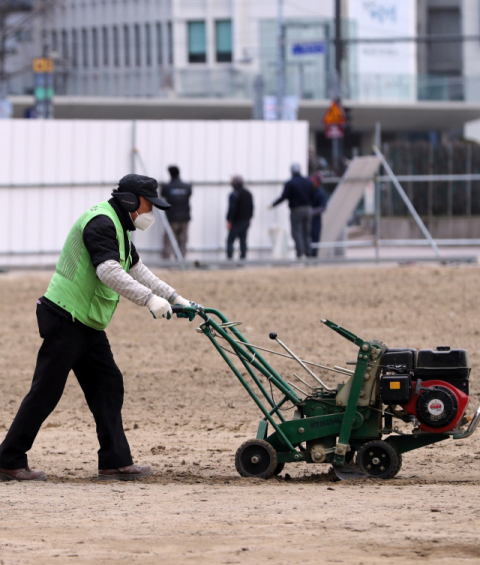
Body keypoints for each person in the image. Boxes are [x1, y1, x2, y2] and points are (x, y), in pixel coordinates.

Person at [0, 174, 196, 482]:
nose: (151, 213)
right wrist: (149, 301)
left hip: (86, 322)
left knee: (108, 385)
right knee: (46, 391)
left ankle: (115, 462)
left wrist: (174, 297)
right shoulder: (101, 223)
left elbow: (136, 268)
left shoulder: (119, 228)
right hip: (66, 318)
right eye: (148, 205)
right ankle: (8, 459)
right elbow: (108, 271)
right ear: (131, 200)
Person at [270, 163, 315, 258]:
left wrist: (273, 204)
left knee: (297, 232)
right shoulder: (308, 181)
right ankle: (309, 254)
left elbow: (284, 197)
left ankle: (300, 254)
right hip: (308, 209)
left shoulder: (290, 183)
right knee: (306, 233)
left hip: (296, 210)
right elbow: (313, 195)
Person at [160, 165, 192, 260]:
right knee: (182, 240)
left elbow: (162, 194)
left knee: (169, 240)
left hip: (172, 218)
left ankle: (167, 261)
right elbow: (189, 194)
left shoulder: (168, 186)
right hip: (185, 218)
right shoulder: (187, 186)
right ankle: (181, 261)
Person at [226, 175, 254, 260]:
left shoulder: (234, 194)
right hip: (245, 221)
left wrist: (229, 220)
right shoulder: (248, 193)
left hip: (236, 222)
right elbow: (251, 207)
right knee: (243, 241)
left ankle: (230, 259)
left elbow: (232, 209)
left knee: (230, 241)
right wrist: (249, 219)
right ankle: (243, 258)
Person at [309, 172, 328, 257]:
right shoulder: (307, 191)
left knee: (315, 238)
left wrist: (312, 212)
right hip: (307, 219)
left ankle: (314, 257)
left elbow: (323, 207)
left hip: (315, 220)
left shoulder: (320, 193)